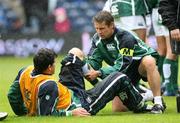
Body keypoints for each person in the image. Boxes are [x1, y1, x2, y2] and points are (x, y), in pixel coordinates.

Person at [7, 48, 152, 116]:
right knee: (120, 77)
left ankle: (97, 82)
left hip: (67, 89)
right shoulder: (47, 85)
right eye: (54, 64)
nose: (56, 65)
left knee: (75, 53)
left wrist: (23, 112)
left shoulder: (25, 71)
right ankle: (140, 104)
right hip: (82, 104)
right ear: (50, 67)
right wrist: (71, 114)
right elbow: (46, 115)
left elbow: (12, 95)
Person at [85, 11, 166, 114]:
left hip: (139, 63)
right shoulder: (97, 39)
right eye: (96, 28)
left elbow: (123, 64)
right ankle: (145, 93)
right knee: (119, 109)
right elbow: (94, 61)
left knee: (149, 61)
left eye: (102, 28)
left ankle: (158, 102)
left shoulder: (125, 37)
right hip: (126, 69)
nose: (99, 32)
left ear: (112, 26)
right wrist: (86, 67)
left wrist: (99, 72)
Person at [152, 0, 178, 96]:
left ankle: (163, 85)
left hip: (157, 12)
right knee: (172, 51)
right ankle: (169, 86)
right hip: (169, 12)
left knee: (161, 51)